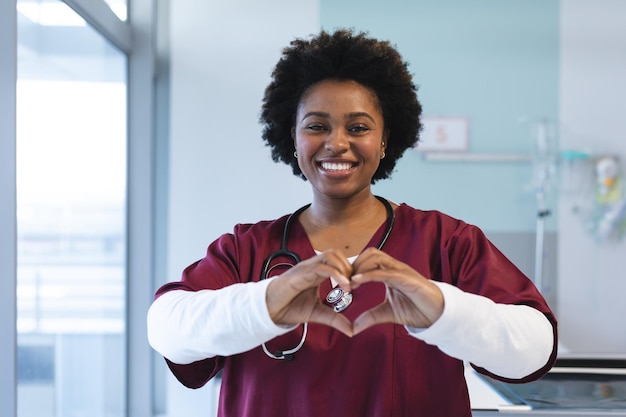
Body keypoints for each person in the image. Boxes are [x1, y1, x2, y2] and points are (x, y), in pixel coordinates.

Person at [147, 29, 557, 417]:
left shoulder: (446, 243)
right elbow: (166, 327)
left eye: (358, 127)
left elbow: (535, 347)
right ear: (293, 137)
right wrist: (265, 302)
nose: (336, 142)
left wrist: (442, 310)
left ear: (384, 140)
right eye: (317, 126)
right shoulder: (247, 248)